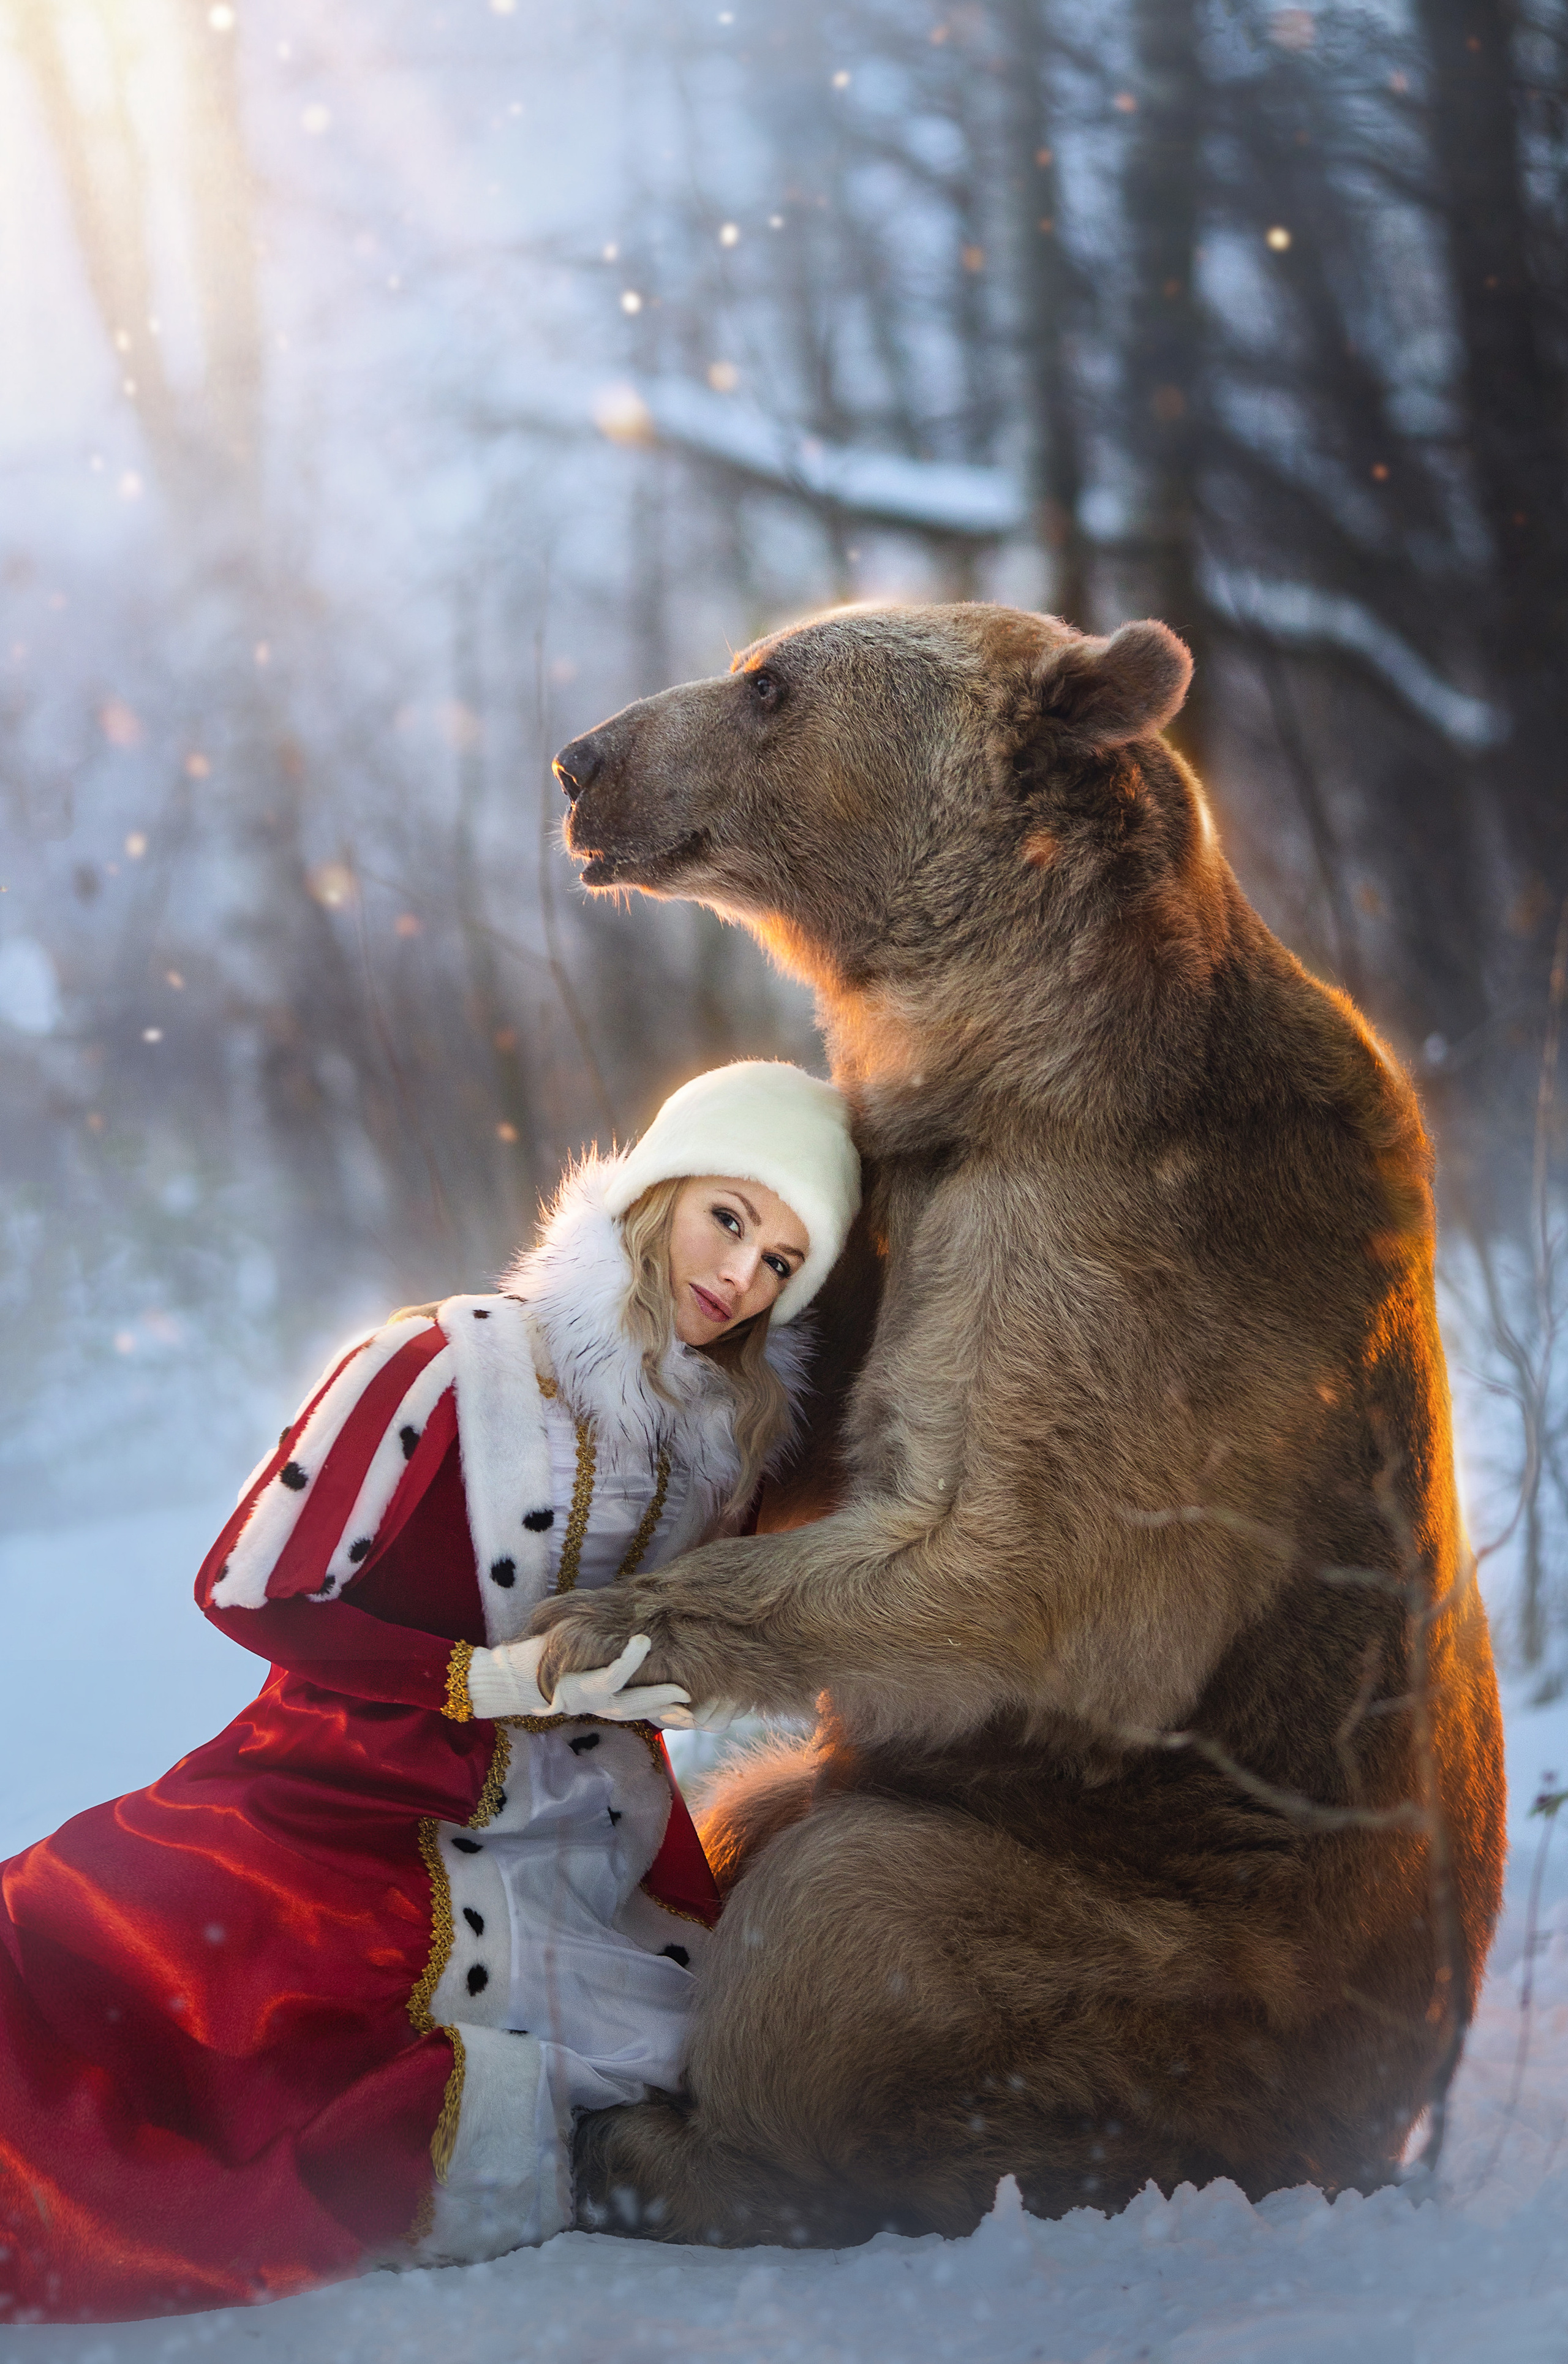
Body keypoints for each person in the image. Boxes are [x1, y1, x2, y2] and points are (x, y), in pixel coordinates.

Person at [0, 1060, 859, 2325]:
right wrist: (471, 1677)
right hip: (345, 1796)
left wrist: (670, 1684)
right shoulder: (441, 1361)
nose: (737, 1275)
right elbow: (244, 1590)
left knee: (705, 2055)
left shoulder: (721, 1445)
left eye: (782, 1260)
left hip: (584, 1839)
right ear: (660, 1188)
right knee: (114, 1988)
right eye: (727, 1217)